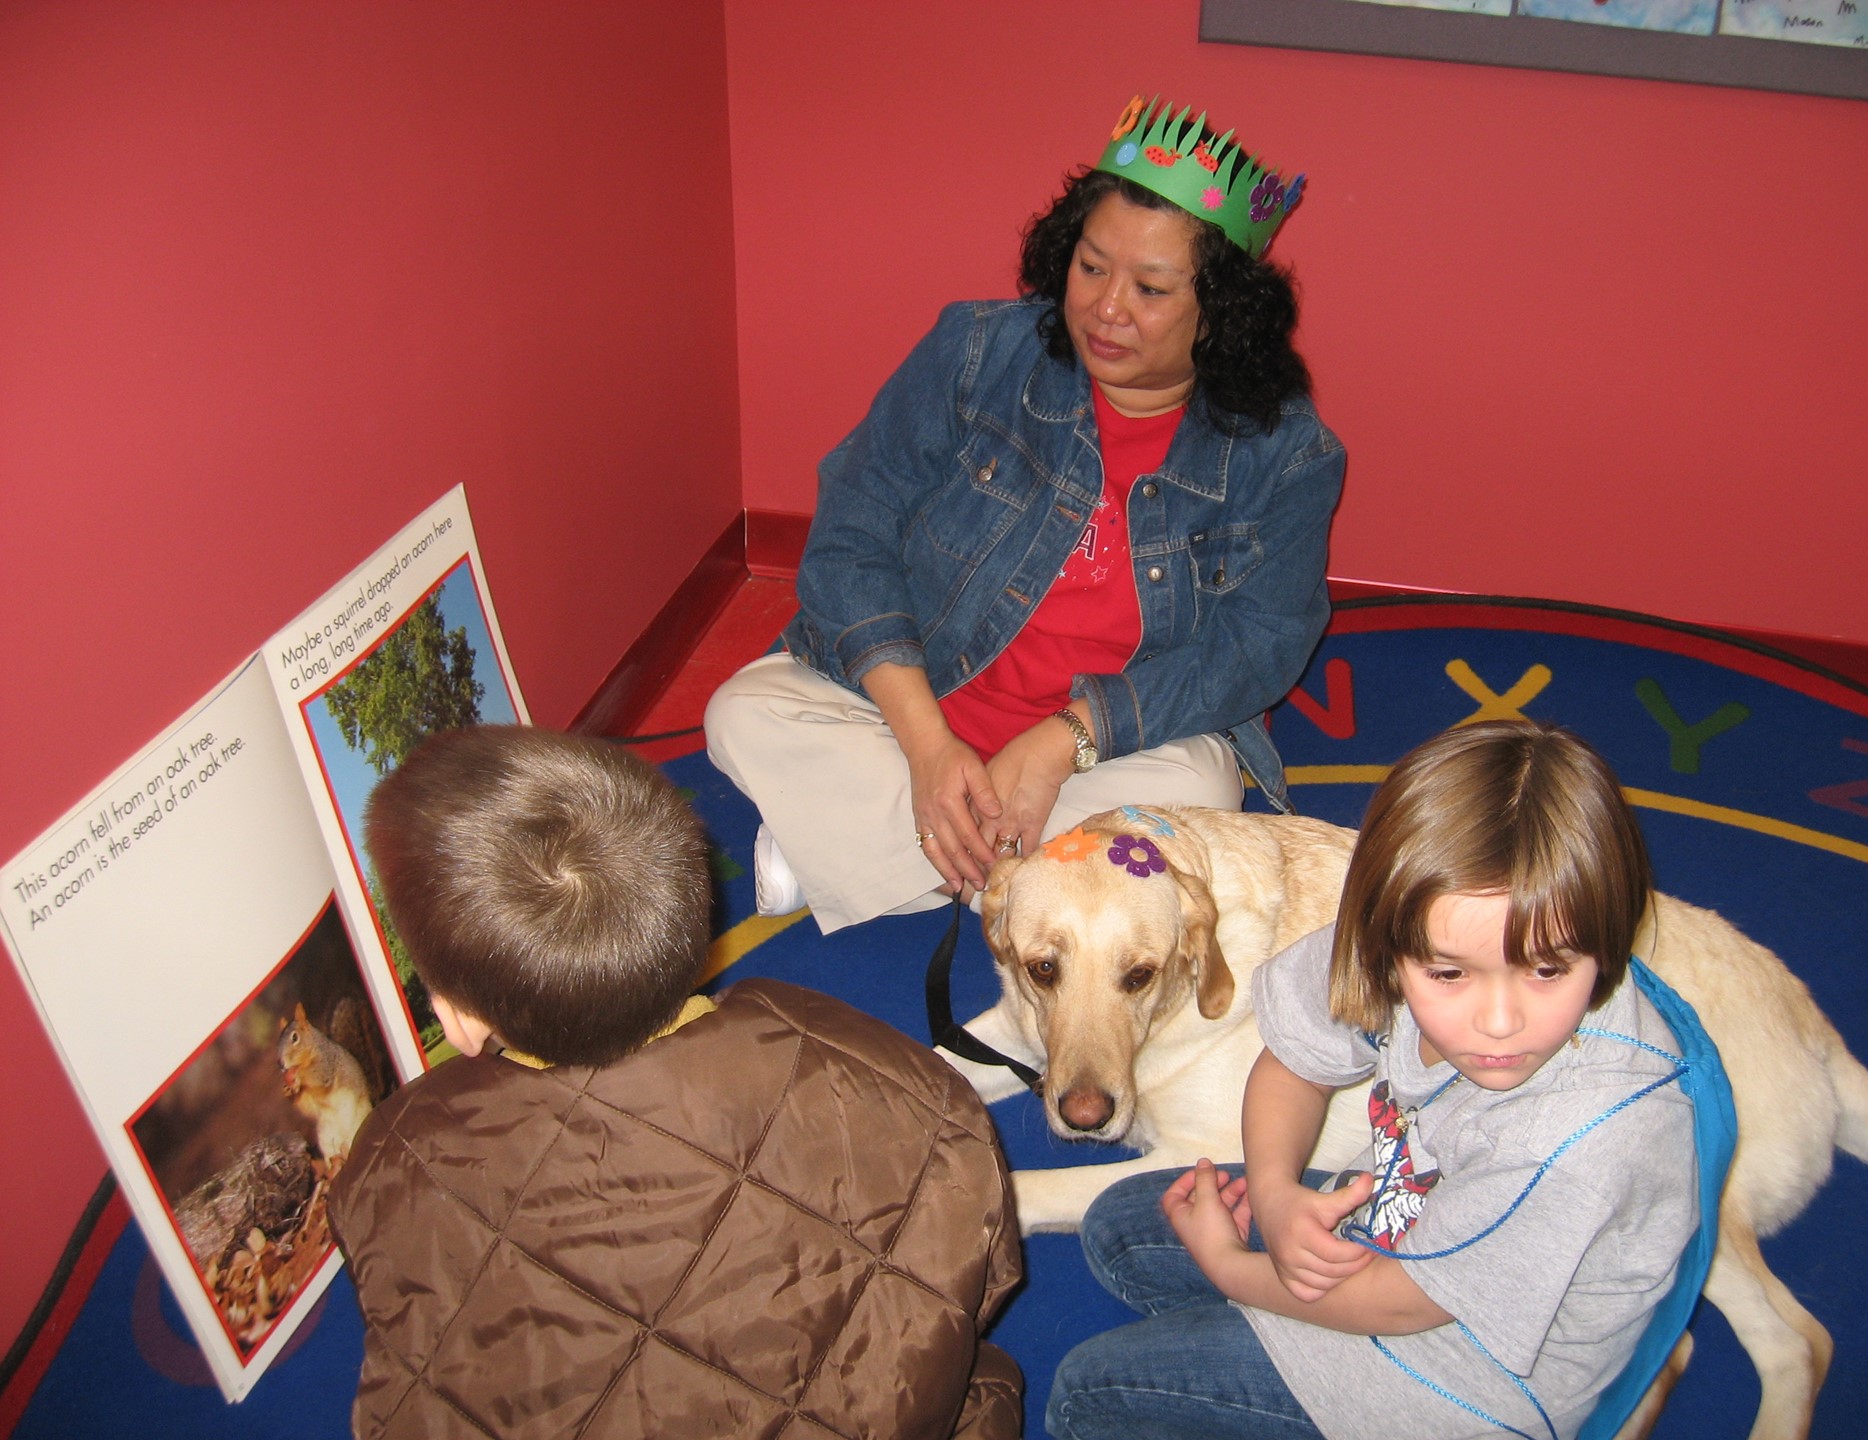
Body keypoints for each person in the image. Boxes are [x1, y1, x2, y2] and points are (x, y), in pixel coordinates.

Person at [705, 94, 1346, 932]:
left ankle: (866, 855)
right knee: (743, 713)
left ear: (1220, 315)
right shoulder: (975, 350)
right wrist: (931, 749)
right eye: (1090, 267)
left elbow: (1256, 649)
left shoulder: (1287, 453)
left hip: (1107, 747)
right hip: (918, 705)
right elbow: (852, 533)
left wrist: (1062, 744)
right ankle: (1029, 882)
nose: (1106, 309)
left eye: (1151, 288)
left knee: (1202, 796)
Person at [330, 725, 1023, 1439]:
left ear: (463, 1022)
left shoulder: (400, 1168)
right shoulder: (896, 1078)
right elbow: (985, 1270)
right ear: (693, 913)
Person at [1048, 720, 1707, 1440]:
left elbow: (1399, 1306)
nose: (1497, 1020)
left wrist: (1233, 1266)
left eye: (1548, 971)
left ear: (1606, 947)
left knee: (1087, 1392)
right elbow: (1294, 1060)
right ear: (1388, 938)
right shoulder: (1403, 932)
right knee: (1119, 1231)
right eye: (1449, 974)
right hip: (1392, 1224)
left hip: (1459, 1381)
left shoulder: (1576, 1138)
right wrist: (1275, 1196)